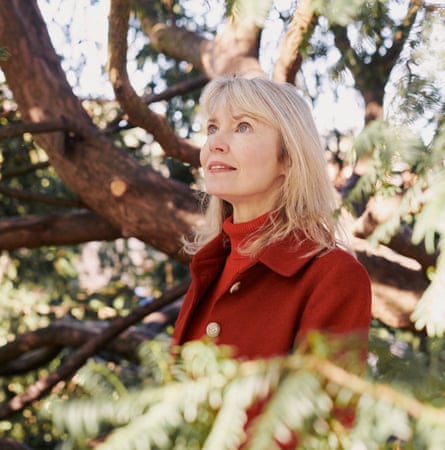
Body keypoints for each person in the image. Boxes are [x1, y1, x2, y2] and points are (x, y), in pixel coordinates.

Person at [171, 74, 372, 449]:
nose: (215, 141)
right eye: (212, 127)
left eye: (242, 126)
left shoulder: (333, 276)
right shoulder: (209, 267)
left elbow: (320, 430)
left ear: (288, 158)